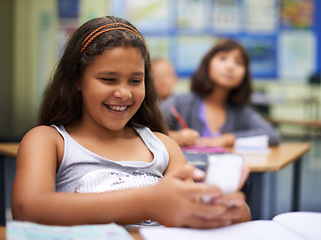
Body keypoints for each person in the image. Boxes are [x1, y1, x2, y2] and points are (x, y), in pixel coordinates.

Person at [11, 16, 251, 228]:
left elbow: (188, 210)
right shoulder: (48, 140)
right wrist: (147, 202)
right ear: (77, 80)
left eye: (135, 81)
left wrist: (227, 208)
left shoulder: (163, 146)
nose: (124, 93)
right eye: (108, 79)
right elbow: (28, 209)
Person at [161, 38, 281, 147]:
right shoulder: (180, 103)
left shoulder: (242, 112)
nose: (230, 66)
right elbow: (145, 130)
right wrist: (175, 137)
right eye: (222, 58)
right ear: (207, 64)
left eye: (239, 62)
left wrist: (228, 139)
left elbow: (272, 136)